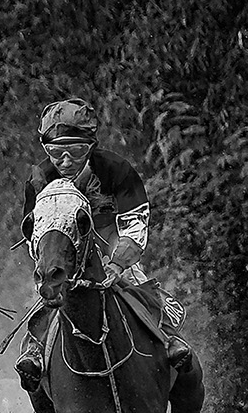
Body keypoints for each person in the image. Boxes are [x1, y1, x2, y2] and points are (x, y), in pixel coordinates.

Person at [16, 97, 192, 391]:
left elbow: (135, 221)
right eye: (56, 153)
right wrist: (47, 262)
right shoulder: (40, 178)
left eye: (75, 152)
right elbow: (32, 232)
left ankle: (167, 336)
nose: (65, 162)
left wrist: (118, 263)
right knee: (41, 293)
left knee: (135, 282)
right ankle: (34, 350)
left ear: (90, 146)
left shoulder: (116, 169)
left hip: (111, 240)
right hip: (63, 250)